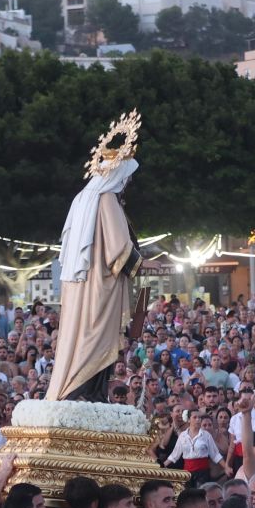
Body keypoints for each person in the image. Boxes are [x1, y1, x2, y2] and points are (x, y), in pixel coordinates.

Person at [46, 121, 143, 402]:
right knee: (97, 339)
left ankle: (81, 391)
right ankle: (89, 393)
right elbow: (118, 251)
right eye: (128, 178)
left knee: (79, 338)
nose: (129, 184)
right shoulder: (108, 199)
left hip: (81, 287)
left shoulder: (82, 199)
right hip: (101, 287)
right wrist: (145, 264)